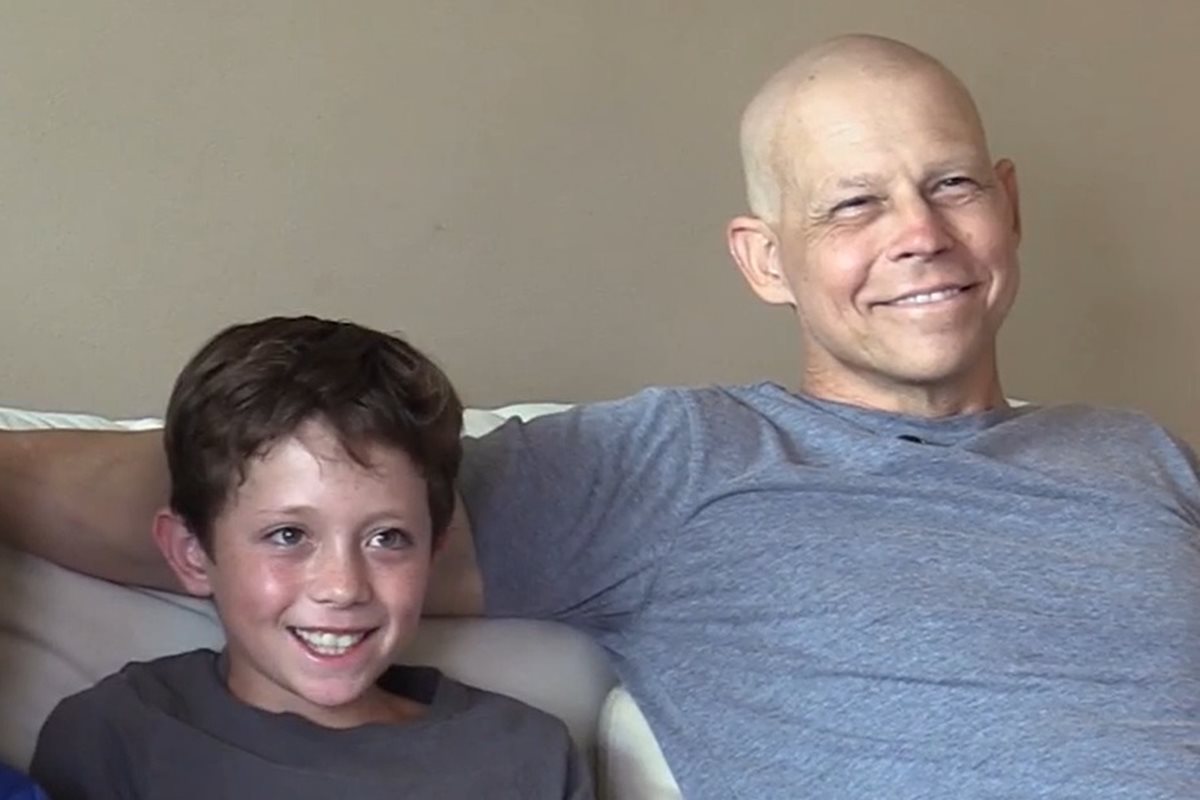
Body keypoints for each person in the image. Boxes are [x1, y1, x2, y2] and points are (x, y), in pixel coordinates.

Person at [1, 34, 1197, 799]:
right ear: (764, 259)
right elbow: (272, 485)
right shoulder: (677, 463)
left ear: (1007, 205)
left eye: (951, 183)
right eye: (852, 205)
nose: (920, 234)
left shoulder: (1145, 458)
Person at [27, 316, 591, 800]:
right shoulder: (117, 736)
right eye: (289, 535)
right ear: (192, 552)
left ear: (433, 550)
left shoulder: (526, 756)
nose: (343, 587)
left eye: (387, 538)